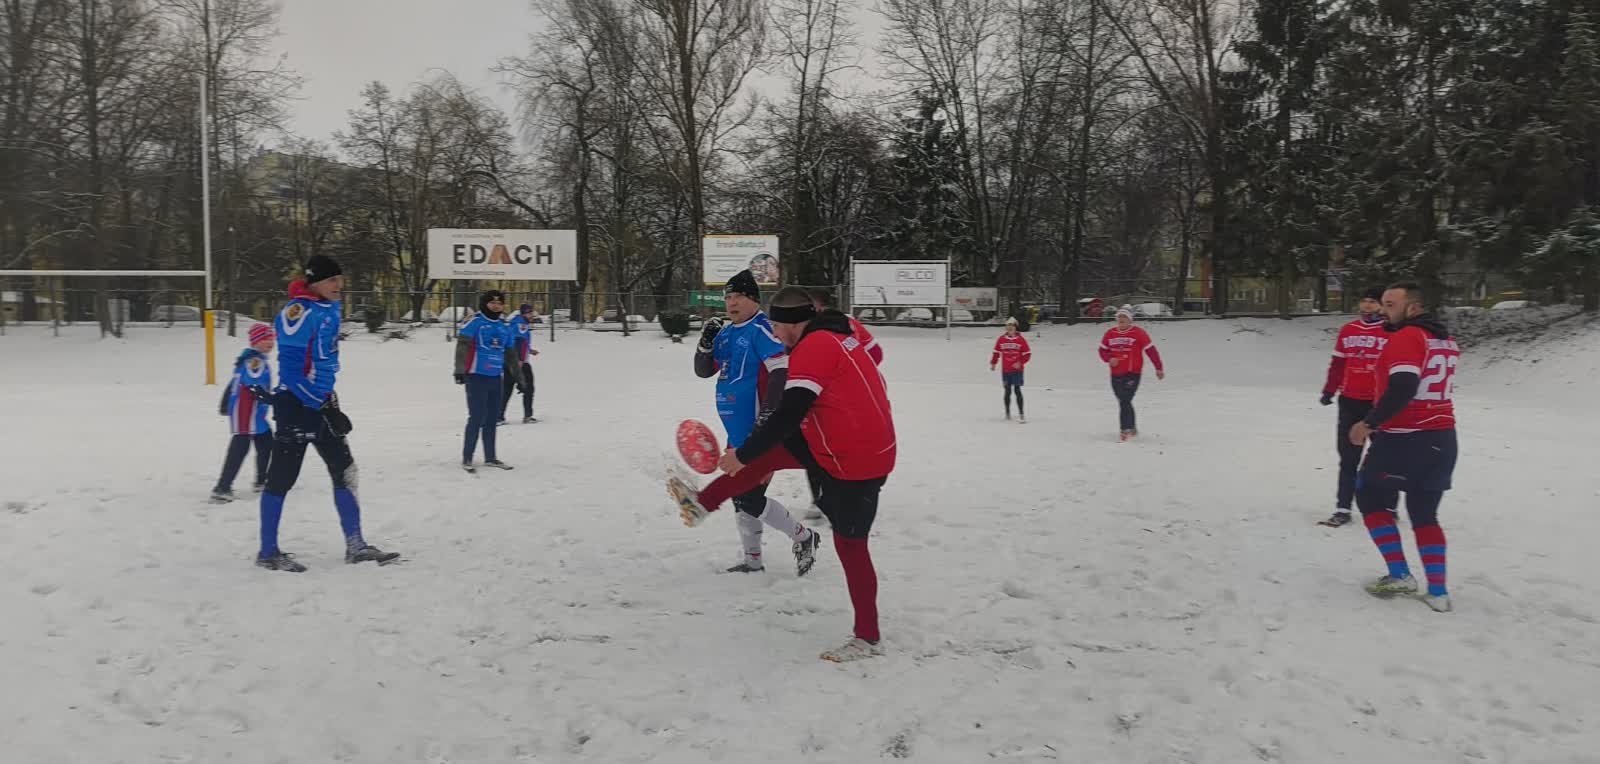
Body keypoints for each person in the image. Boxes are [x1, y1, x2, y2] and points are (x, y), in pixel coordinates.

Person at [672, 286, 896, 662]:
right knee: (764, 459)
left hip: (855, 459)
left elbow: (790, 412)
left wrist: (742, 451)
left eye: (776, 326)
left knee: (851, 546)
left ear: (793, 325)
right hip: (838, 438)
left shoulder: (814, 347)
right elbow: (870, 357)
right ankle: (702, 504)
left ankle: (868, 638)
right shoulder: (839, 334)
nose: (774, 333)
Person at [257, 255, 398, 572]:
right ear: (314, 282)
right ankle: (268, 552)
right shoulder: (298, 313)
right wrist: (319, 405)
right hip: (296, 405)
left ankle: (356, 545)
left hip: (322, 402)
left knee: (345, 471)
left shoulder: (327, 308)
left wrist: (328, 402)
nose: (340, 285)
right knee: (281, 479)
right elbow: (292, 374)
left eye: (340, 279)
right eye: (332, 280)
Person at [692, 269, 819, 574]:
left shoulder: (763, 329)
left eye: (738, 296)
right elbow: (703, 370)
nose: (731, 302)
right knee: (741, 500)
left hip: (758, 434)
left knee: (748, 498)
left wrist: (766, 418)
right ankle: (753, 561)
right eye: (727, 296)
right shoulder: (726, 333)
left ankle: (804, 537)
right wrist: (705, 344)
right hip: (736, 435)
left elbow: (781, 371)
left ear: (753, 300)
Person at [1348, 282, 1459, 613]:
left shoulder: (1408, 337)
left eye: (1390, 304)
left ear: (1413, 308)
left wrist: (1368, 423)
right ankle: (1438, 593)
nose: (1383, 310)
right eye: (1382, 303)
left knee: (1368, 494)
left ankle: (1399, 574)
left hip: (1405, 437)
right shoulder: (1446, 340)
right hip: (1443, 438)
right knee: (1425, 513)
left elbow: (1404, 385)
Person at [1317, 286, 1389, 527]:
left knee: (1383, 458)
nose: (1368, 306)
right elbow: (1338, 364)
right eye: (1365, 301)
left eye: (1373, 302)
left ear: (1382, 305)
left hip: (1379, 404)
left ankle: (1387, 506)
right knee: (1348, 457)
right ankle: (1343, 507)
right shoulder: (1348, 330)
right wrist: (1330, 389)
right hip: (1350, 401)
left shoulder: (1391, 331)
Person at [211, 323, 276, 503]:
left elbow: (235, 382)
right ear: (255, 342)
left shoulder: (252, 359)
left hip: (255, 414)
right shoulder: (255, 361)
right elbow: (252, 385)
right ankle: (222, 487)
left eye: (272, 339)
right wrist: (270, 399)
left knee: (267, 442)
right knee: (241, 446)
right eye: (266, 339)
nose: (270, 342)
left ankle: (262, 481)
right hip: (246, 413)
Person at [456, 290, 516, 473]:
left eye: (499, 303)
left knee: (491, 419)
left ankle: (490, 457)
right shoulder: (475, 322)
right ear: (485, 304)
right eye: (492, 303)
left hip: (495, 378)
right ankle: (467, 457)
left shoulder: (503, 326)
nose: (496, 306)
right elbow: (462, 346)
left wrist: (518, 377)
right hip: (476, 376)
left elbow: (511, 354)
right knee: (476, 417)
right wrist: (459, 370)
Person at [1099, 305, 1164, 440]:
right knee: (1123, 400)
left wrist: (1158, 368)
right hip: (1116, 374)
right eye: (1119, 317)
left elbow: (1151, 351)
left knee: (1125, 399)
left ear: (1130, 320)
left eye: (1124, 317)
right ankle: (1132, 427)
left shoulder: (1139, 333)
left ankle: (1125, 429)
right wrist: (1109, 359)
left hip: (1132, 373)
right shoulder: (1110, 333)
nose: (1121, 320)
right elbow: (1102, 350)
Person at [501, 302, 539, 424]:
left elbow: (513, 341)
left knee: (506, 389)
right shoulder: (521, 324)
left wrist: (529, 350)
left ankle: (498, 416)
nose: (531, 315)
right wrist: (520, 360)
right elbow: (519, 342)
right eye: (529, 313)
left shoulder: (514, 323)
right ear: (524, 313)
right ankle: (528, 416)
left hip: (508, 360)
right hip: (518, 362)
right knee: (529, 388)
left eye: (531, 312)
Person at [991, 317, 1032, 422]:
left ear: (1015, 327)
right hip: (1006, 370)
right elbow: (996, 352)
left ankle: (1021, 413)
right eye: (1008, 325)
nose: (1009, 327)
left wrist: (1020, 362)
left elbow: (1027, 354)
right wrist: (993, 363)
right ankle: (1007, 413)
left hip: (1017, 371)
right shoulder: (1001, 339)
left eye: (1012, 325)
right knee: (1007, 391)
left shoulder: (1020, 340)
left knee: (1017, 390)